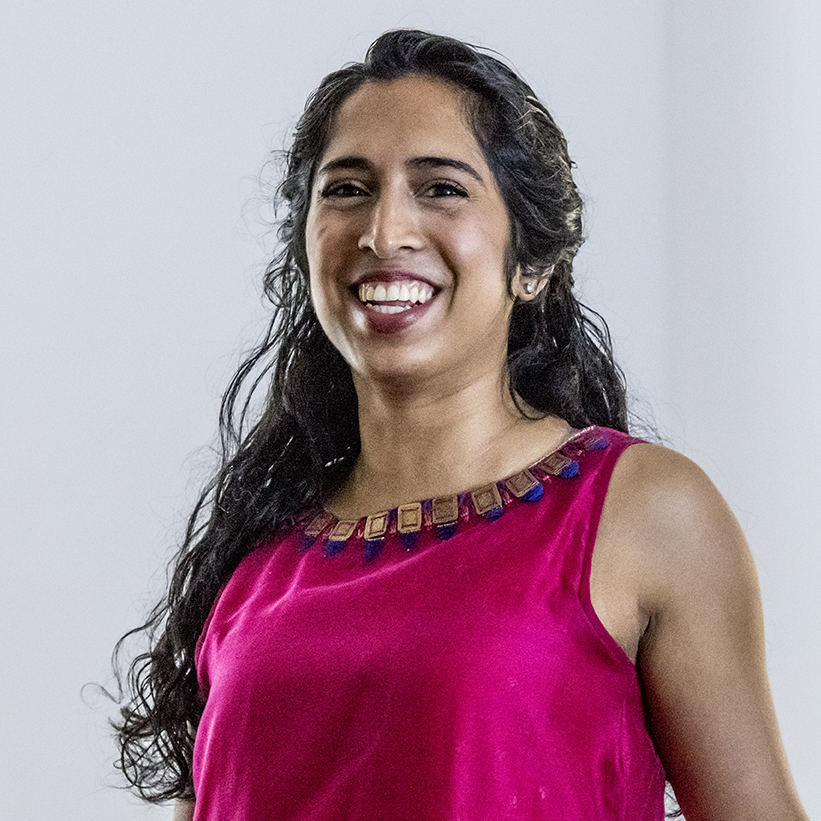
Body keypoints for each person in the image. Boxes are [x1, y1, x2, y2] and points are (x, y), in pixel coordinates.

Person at [114, 29, 810, 821]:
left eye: (440, 188)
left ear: (531, 263)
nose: (384, 231)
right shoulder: (252, 557)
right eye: (347, 189)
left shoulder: (643, 512)